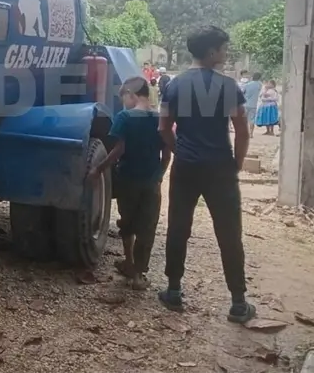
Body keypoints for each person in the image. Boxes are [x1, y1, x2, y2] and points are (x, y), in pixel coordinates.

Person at [158, 26, 256, 324]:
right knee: (229, 233)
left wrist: (179, 151)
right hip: (220, 167)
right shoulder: (228, 86)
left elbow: (164, 128)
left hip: (186, 166)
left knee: (178, 227)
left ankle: (173, 291)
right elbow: (242, 131)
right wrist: (236, 163)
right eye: (224, 48)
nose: (226, 53)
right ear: (212, 52)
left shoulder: (174, 85)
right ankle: (238, 303)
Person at [90, 76, 171, 291]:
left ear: (131, 94)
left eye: (123, 98)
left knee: (127, 222)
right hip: (151, 182)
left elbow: (118, 150)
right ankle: (138, 274)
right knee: (147, 227)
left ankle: (129, 262)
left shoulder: (124, 117)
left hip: (127, 179)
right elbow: (166, 155)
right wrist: (159, 175)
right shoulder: (160, 118)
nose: (123, 103)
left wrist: (98, 169)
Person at [241, 72, 263, 138]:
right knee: (252, 119)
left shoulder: (247, 85)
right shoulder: (259, 85)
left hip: (245, 104)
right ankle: (251, 133)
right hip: (253, 104)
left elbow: (242, 92)